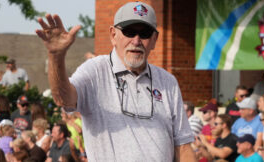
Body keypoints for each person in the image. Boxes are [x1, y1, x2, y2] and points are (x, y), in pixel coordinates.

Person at [36, 1, 196, 162]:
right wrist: (56, 56)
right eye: (129, 31)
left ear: (154, 39)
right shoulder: (95, 71)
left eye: (145, 33)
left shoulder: (168, 82)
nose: (136, 40)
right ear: (113, 35)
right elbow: (63, 98)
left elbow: (183, 146)